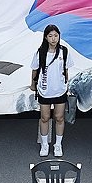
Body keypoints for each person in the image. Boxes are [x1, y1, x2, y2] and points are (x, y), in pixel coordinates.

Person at [31, 23, 70, 157]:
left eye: (56, 36)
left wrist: (66, 84)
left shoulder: (64, 51)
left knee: (59, 117)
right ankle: (44, 144)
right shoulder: (40, 52)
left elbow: (66, 69)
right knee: (45, 117)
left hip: (60, 90)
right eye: (50, 36)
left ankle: (58, 144)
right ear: (46, 37)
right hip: (45, 90)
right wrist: (33, 84)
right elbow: (35, 69)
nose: (53, 39)